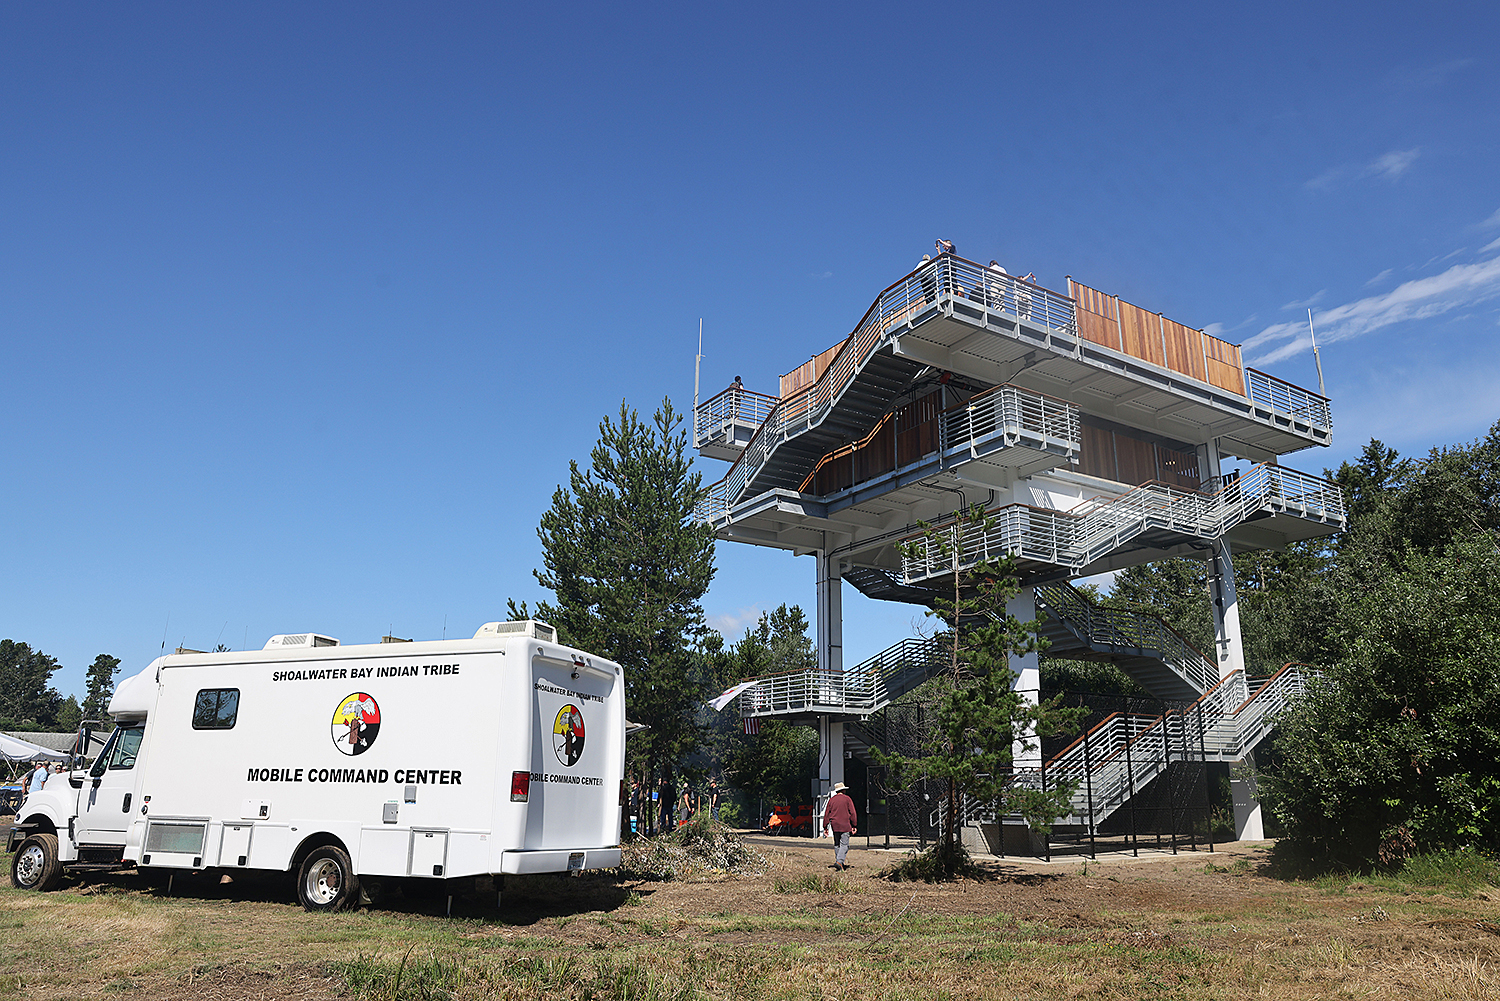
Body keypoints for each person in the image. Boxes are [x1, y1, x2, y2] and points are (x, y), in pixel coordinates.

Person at [822, 782, 858, 870]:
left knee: (837, 844)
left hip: (835, 825)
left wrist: (825, 827)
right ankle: (839, 861)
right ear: (843, 790)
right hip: (845, 825)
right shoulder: (847, 799)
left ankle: (840, 864)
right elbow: (852, 813)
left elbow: (827, 814)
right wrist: (854, 825)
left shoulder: (832, 800)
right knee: (844, 844)